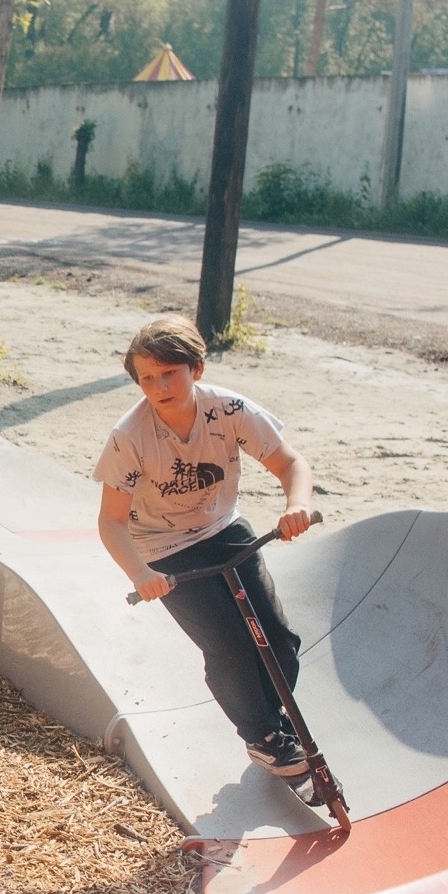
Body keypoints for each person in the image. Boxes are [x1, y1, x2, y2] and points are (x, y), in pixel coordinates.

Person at [95, 316, 320, 779]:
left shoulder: (229, 410)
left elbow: (290, 462)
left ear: (196, 368)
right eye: (147, 379)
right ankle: (262, 738)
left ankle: (272, 722)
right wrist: (140, 573)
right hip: (163, 547)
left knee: (277, 638)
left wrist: (296, 505)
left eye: (169, 373)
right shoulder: (129, 437)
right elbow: (112, 522)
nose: (159, 387)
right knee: (230, 645)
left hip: (224, 528)